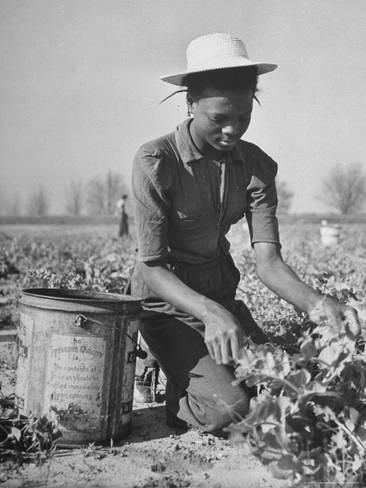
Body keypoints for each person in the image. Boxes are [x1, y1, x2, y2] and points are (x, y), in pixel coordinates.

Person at [130, 33, 359, 432]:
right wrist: (209, 312)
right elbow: (151, 266)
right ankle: (167, 375)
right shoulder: (156, 162)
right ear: (190, 102)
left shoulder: (255, 166)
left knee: (279, 381)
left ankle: (195, 363)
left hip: (219, 294)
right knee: (229, 408)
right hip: (165, 301)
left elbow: (268, 262)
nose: (232, 130)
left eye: (244, 117)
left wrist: (320, 306)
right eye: (219, 119)